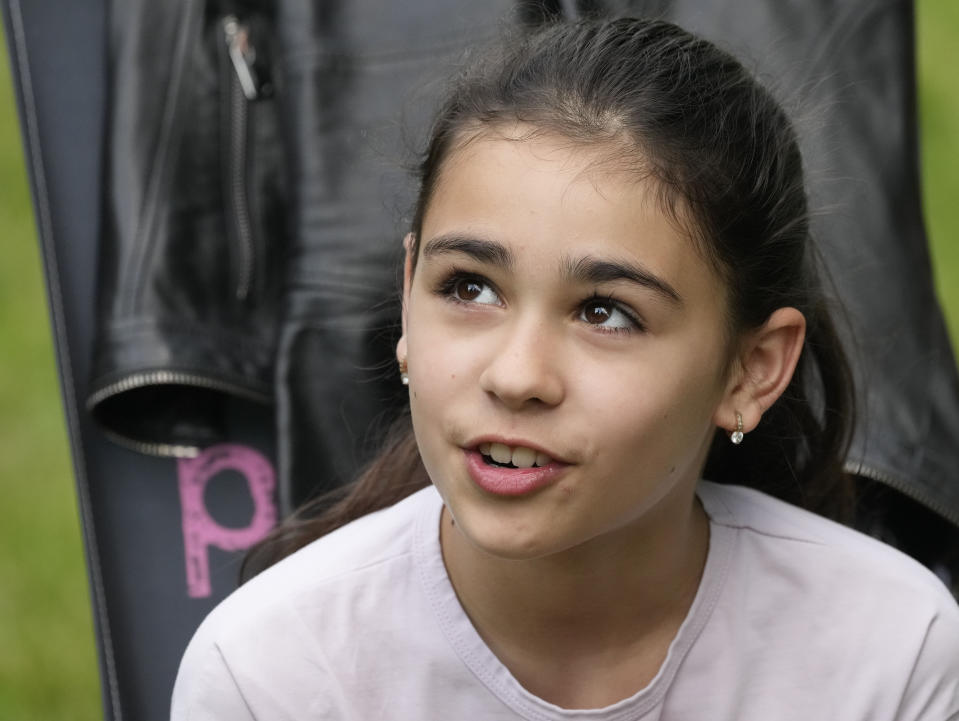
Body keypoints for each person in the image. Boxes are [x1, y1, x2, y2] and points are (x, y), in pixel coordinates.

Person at [171, 17, 959, 720]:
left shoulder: (891, 652)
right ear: (406, 299)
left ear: (750, 369)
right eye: (468, 288)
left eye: (604, 312)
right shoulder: (269, 675)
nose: (516, 376)